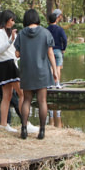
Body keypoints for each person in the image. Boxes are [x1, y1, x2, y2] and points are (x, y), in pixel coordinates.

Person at [14, 8, 58, 140]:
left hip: (27, 71)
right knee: (42, 101)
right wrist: (55, 70)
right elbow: (50, 53)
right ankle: (42, 131)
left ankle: (23, 129)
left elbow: (17, 54)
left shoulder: (21, 34)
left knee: (27, 100)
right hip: (42, 72)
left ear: (26, 19)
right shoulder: (45, 33)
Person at [0, 10, 21, 132]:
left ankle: (3, 124)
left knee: (7, 96)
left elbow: (11, 51)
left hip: (10, 63)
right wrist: (11, 40)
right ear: (6, 20)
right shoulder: (0, 33)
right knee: (22, 94)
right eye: (12, 20)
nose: (13, 22)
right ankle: (25, 123)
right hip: (7, 64)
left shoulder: (5, 33)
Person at [46, 10, 67, 89]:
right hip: (58, 50)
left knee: (51, 67)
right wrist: (63, 48)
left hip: (49, 51)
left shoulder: (46, 30)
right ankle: (57, 83)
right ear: (56, 20)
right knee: (58, 67)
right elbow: (64, 39)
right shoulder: (60, 29)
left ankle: (50, 84)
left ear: (49, 21)